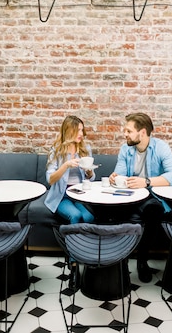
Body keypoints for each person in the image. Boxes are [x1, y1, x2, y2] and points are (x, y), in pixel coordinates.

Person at [110, 112, 172, 283]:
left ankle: (142, 262)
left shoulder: (161, 147)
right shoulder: (125, 149)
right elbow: (119, 172)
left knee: (155, 209)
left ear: (142, 132)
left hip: (151, 196)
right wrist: (115, 177)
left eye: (128, 131)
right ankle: (120, 260)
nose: (125, 134)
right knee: (113, 209)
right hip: (129, 195)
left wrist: (147, 182)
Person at [45, 115, 96, 288]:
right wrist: (66, 165)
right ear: (69, 131)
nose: (82, 133)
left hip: (79, 194)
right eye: (78, 130)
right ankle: (74, 266)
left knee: (88, 217)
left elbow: (91, 177)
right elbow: (50, 179)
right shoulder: (57, 150)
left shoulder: (85, 148)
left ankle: (83, 254)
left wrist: (89, 172)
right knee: (75, 216)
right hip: (62, 196)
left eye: (82, 129)